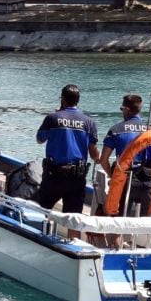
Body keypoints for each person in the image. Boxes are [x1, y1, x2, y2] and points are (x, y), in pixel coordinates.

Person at [36, 84, 100, 215]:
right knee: (73, 218)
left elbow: (39, 140)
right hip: (77, 178)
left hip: (54, 176)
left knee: (40, 212)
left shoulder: (52, 118)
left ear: (62, 99)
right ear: (78, 100)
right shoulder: (89, 122)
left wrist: (58, 114)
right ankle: (72, 236)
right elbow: (94, 154)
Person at [99, 93, 151, 217]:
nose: (122, 112)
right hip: (148, 181)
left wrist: (113, 176)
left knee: (117, 219)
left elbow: (103, 160)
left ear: (127, 110)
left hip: (125, 180)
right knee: (145, 220)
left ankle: (116, 237)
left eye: (122, 109)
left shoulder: (116, 130)